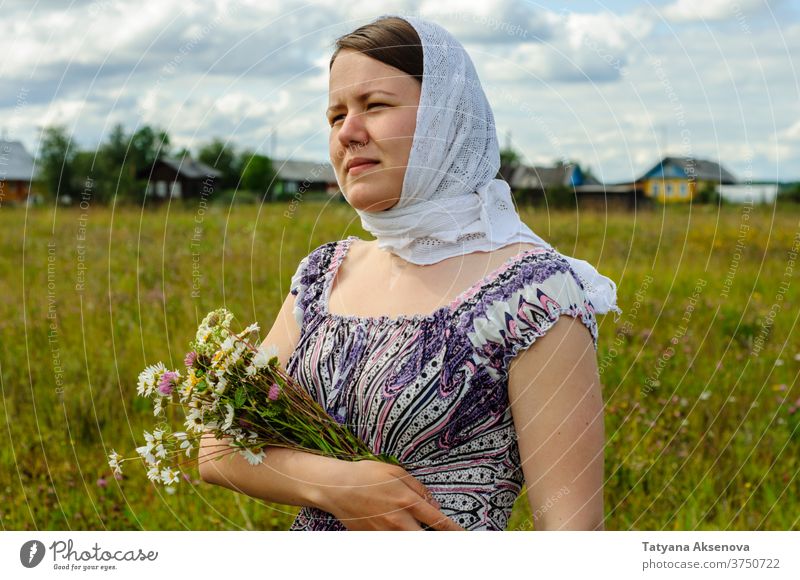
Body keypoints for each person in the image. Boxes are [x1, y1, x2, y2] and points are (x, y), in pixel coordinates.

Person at [199, 14, 621, 532]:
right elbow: (218, 447)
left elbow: (573, 538)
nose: (348, 133)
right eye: (335, 116)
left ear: (448, 120)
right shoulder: (322, 277)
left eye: (374, 106)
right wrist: (334, 483)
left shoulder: (535, 297)